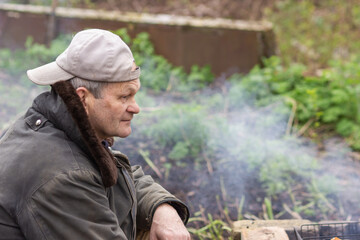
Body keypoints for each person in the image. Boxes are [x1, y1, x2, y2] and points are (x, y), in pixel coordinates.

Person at [0, 29, 190, 239]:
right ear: (83, 98)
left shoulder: (55, 129)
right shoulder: (63, 177)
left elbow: (117, 173)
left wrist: (161, 208)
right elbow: (78, 175)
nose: (135, 108)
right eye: (124, 96)